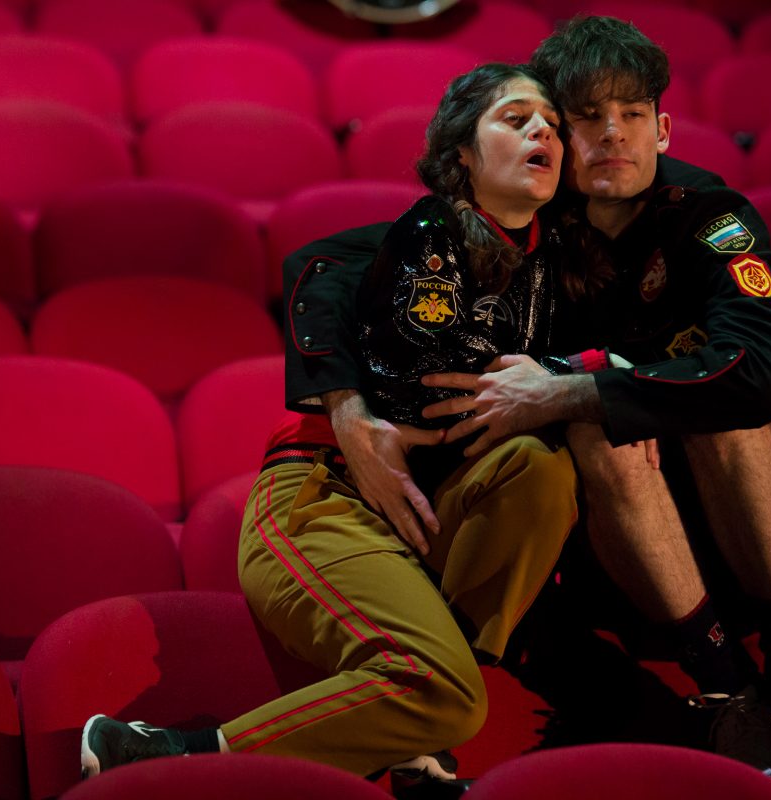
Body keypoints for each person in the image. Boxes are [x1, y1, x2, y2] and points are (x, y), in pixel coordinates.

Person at [281, 15, 771, 782]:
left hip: (738, 479)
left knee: (722, 410)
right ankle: (723, 686)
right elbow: (325, 265)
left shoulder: (709, 217)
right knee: (592, 427)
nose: (611, 133)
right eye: (586, 116)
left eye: (631, 114)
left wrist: (573, 388)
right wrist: (349, 411)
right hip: (605, 507)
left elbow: (761, 372)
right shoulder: (529, 208)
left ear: (662, 129)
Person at [80, 63, 580, 783]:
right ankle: (170, 758)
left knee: (539, 467)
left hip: (435, 507)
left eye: (554, 125)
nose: (543, 131)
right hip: (326, 488)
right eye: (515, 118)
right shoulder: (416, 238)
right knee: (448, 693)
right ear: (462, 156)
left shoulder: (558, 272)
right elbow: (312, 269)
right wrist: (350, 414)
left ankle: (417, 717)